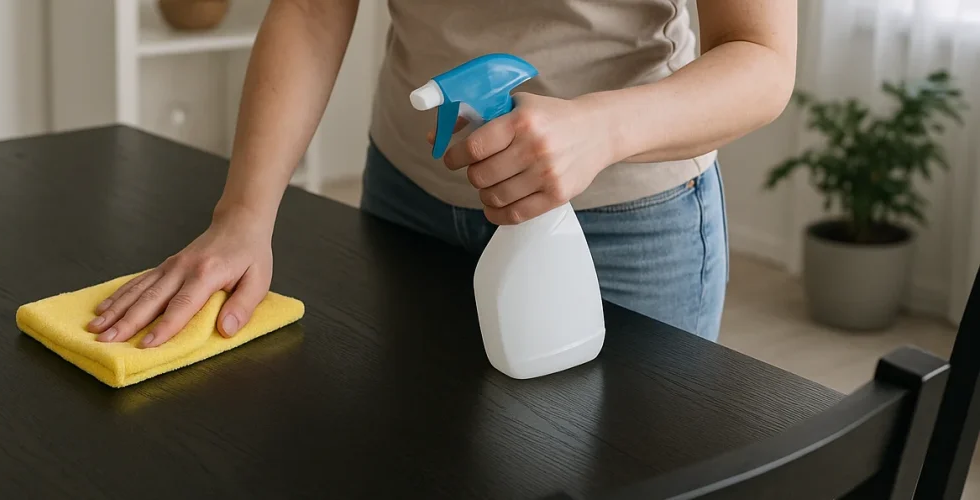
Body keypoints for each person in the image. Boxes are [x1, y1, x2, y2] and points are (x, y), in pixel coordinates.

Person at [86, 0, 798, 348]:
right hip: (408, 197)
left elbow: (762, 58)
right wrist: (243, 214)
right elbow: (312, 7)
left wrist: (602, 130)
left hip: (622, 229)